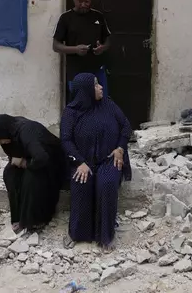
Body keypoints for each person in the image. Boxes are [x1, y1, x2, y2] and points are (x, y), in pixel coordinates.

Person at [61, 73, 132, 251]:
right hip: (83, 161)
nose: (100, 87)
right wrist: (79, 162)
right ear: (85, 91)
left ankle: (106, 237)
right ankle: (78, 234)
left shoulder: (108, 104)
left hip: (109, 159)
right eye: (95, 85)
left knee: (107, 184)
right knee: (81, 182)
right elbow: (66, 140)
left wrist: (120, 148)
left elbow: (126, 126)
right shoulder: (71, 112)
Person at [0, 114, 65, 233]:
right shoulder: (9, 135)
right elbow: (14, 155)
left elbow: (42, 158)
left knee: (31, 178)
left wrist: (24, 163)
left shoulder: (26, 131)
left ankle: (36, 219)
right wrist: (20, 161)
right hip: (30, 158)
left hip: (51, 161)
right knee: (9, 174)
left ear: (4, 131)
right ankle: (18, 217)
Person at [53, 0, 112, 103]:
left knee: (102, 104)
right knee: (79, 104)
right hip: (76, 72)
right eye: (80, 1)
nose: (84, 4)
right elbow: (55, 45)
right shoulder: (66, 18)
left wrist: (102, 48)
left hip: (97, 71)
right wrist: (75, 49)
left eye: (87, 1)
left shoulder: (98, 16)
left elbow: (108, 40)